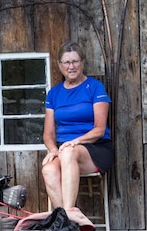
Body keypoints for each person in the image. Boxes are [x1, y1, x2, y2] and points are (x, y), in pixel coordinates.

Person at [41, 42, 113, 210]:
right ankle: (66, 223)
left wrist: (75, 142)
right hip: (64, 150)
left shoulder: (95, 88)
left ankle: (67, 216)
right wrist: (53, 150)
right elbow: (48, 134)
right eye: (66, 62)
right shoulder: (54, 94)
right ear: (60, 65)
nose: (71, 66)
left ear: (82, 62)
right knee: (48, 170)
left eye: (75, 61)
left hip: (95, 148)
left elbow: (99, 129)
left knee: (68, 152)